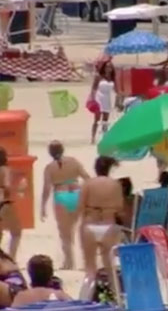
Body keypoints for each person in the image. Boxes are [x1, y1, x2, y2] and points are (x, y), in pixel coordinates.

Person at [41, 141, 90, 270]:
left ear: (50, 153)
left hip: (61, 195)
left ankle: (69, 262)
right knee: (81, 229)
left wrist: (42, 206)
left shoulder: (49, 167)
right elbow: (86, 177)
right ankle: (86, 262)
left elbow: (47, 188)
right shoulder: (73, 161)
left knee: (65, 233)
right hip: (77, 193)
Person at [78, 156, 124, 286]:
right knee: (110, 268)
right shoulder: (115, 185)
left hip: (90, 224)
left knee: (90, 268)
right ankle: (115, 299)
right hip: (108, 225)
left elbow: (80, 206)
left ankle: (88, 301)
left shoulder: (88, 184)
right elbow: (119, 207)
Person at [90, 60, 119, 144]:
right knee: (97, 119)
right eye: (107, 66)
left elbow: (116, 90)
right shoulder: (99, 76)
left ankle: (104, 137)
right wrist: (93, 99)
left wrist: (118, 101)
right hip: (99, 98)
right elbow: (94, 88)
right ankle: (93, 137)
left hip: (107, 99)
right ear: (104, 67)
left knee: (105, 120)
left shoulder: (112, 78)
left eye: (110, 67)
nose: (108, 68)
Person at [0, 147, 20, 260]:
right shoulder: (5, 170)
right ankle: (12, 257)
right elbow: (7, 185)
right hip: (3, 200)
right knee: (16, 232)